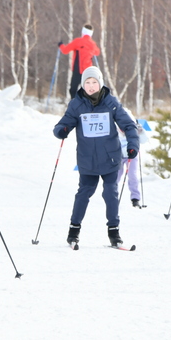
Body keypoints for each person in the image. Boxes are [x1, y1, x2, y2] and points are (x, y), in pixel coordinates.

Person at [54, 66, 139, 248]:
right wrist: (62, 130)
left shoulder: (111, 103)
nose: (91, 86)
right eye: (87, 83)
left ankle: (114, 232)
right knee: (84, 192)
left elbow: (129, 125)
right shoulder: (76, 104)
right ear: (83, 84)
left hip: (110, 158)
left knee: (110, 193)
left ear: (100, 83)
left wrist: (133, 145)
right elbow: (62, 124)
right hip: (88, 159)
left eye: (94, 82)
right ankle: (73, 231)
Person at [60, 24, 100, 98]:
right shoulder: (93, 44)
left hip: (77, 70)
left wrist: (61, 45)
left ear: (83, 32)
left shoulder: (78, 41)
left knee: (73, 90)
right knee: (87, 91)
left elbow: (65, 50)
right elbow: (97, 52)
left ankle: (75, 106)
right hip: (88, 71)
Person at [120, 126, 144, 208]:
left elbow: (143, 140)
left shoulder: (134, 126)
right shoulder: (116, 125)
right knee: (116, 175)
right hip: (118, 155)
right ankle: (112, 194)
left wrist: (142, 132)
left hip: (132, 155)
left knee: (132, 175)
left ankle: (135, 198)